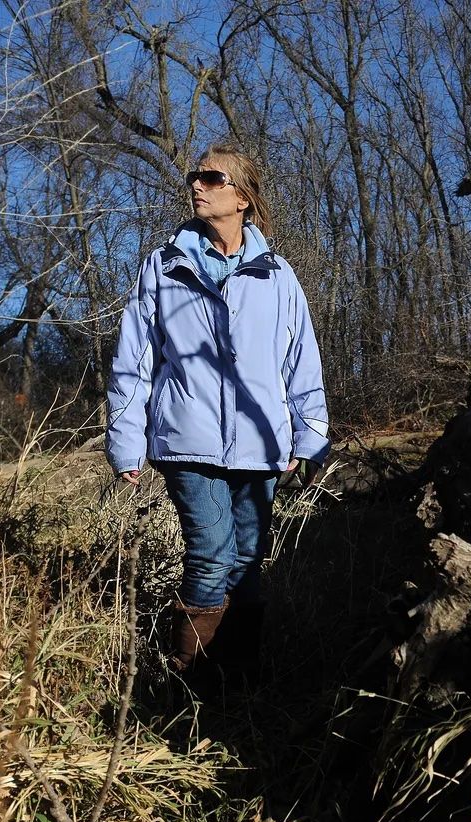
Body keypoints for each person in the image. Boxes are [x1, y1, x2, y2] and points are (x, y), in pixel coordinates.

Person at [105, 144, 330, 681]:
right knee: (212, 553)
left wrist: (309, 435)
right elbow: (133, 358)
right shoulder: (164, 267)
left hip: (262, 442)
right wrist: (126, 440)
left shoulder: (278, 276)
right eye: (194, 177)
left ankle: (240, 684)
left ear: (244, 197)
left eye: (211, 177)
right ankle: (190, 682)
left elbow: (302, 362)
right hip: (187, 438)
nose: (197, 186)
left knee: (248, 562)